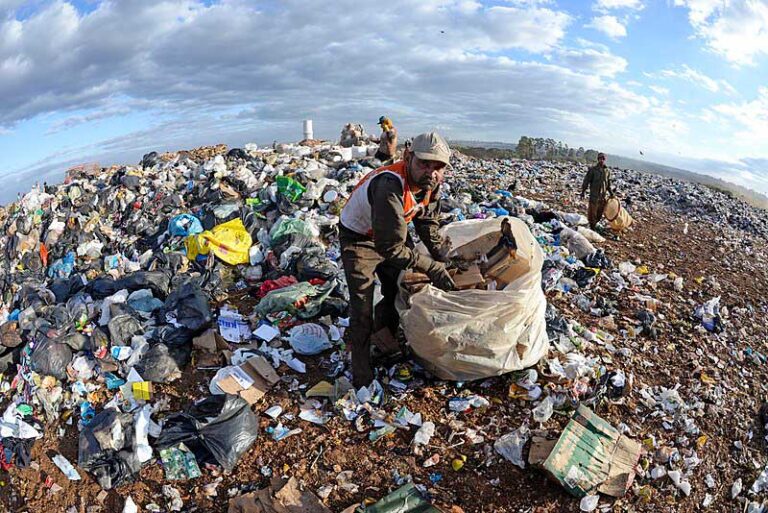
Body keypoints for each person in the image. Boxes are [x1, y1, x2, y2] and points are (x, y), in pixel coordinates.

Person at [340, 132, 455, 387]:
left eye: (438, 167)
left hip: (391, 233)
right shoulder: (389, 185)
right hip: (359, 238)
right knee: (362, 305)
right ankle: (361, 371)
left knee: (398, 288)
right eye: (424, 164)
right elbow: (390, 248)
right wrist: (432, 267)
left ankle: (384, 337)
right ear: (407, 157)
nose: (431, 172)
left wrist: (445, 258)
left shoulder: (430, 185)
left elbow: (427, 223)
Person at [581, 152, 613, 230]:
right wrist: (583, 192)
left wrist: (611, 193)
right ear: (598, 159)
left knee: (599, 213)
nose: (601, 160)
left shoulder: (607, 171)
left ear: (605, 160)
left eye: (603, 159)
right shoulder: (593, 170)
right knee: (592, 213)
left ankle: (594, 225)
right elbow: (586, 181)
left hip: (603, 196)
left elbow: (608, 184)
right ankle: (592, 228)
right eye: (600, 159)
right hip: (594, 196)